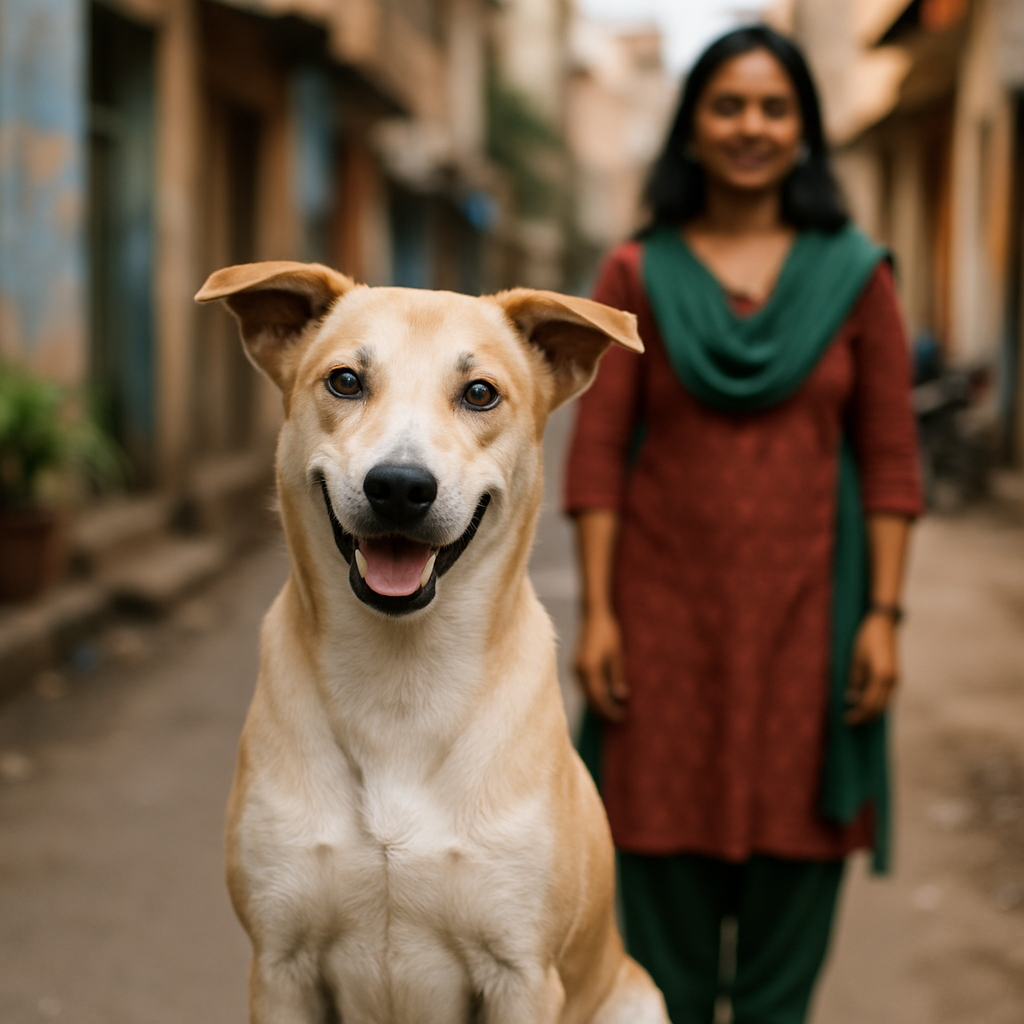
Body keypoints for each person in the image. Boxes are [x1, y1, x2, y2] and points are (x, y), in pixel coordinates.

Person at [564, 25, 923, 1024]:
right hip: (662, 638)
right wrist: (599, 615)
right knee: (658, 975)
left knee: (779, 978)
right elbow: (597, 457)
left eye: (774, 107)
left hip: (812, 637)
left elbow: (891, 459)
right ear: (693, 127)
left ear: (804, 129)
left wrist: (883, 616)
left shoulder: (856, 276)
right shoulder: (635, 274)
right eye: (728, 106)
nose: (751, 127)